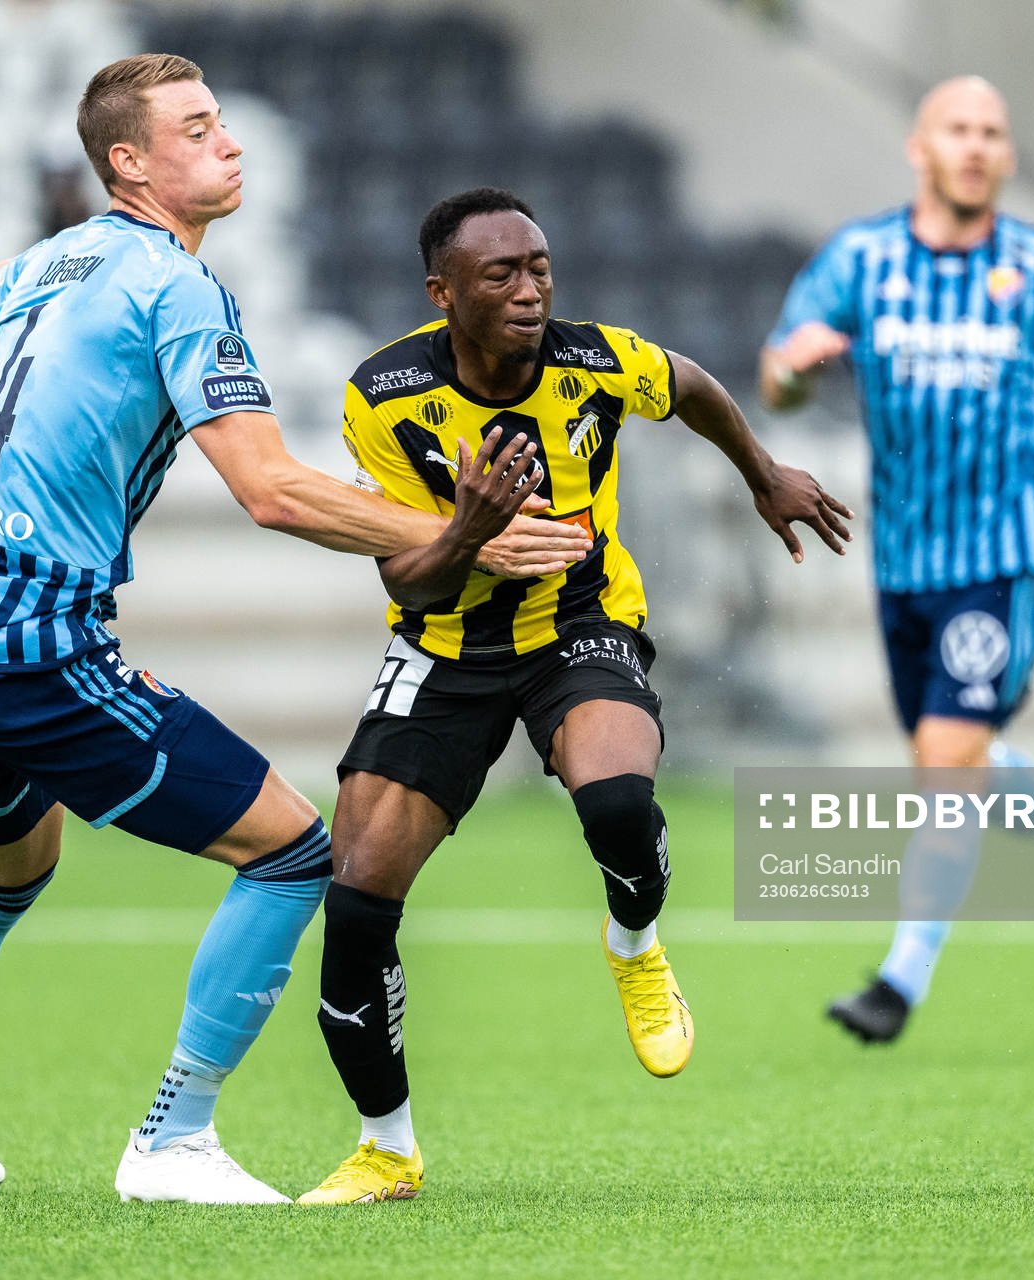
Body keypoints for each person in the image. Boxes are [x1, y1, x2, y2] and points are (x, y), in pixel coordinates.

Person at [0, 56, 589, 1203]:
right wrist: (467, 529)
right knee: (294, 850)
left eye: (224, 123)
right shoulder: (179, 288)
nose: (229, 143)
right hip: (32, 637)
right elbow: (274, 489)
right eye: (196, 129)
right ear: (131, 163)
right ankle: (171, 1138)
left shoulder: (75, 249)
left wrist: (73, 248)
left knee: (4, 877)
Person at [298, 188, 853, 1204]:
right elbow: (407, 577)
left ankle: (634, 941)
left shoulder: (595, 358)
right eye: (500, 274)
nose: (530, 288)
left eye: (540, 265)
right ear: (443, 292)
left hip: (578, 624)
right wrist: (471, 528)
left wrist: (761, 471)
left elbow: (687, 383)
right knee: (356, 905)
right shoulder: (382, 395)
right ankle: (387, 1148)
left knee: (617, 804)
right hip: (444, 644)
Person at [759, 77, 1034, 1045]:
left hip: (1004, 549)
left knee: (943, 760)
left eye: (992, 133)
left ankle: (900, 980)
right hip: (904, 557)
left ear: (1008, 157)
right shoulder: (862, 259)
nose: (975, 146)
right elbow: (776, 376)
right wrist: (794, 370)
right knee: (950, 756)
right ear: (919, 149)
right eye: (957, 130)